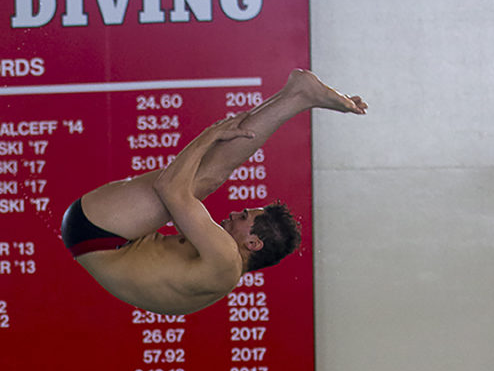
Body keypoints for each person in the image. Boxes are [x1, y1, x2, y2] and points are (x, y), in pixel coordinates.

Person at [60, 69, 366, 315]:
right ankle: (294, 96)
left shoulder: (225, 259)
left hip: (97, 231)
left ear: (254, 242)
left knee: (202, 178)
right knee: (206, 178)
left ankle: (297, 95)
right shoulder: (222, 268)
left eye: (245, 216)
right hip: (104, 237)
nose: (234, 212)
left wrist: (211, 133)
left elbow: (168, 187)